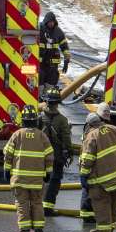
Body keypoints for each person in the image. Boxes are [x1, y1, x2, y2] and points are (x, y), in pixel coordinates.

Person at [78, 103, 116, 232]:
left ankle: (103, 229)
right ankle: (111, 227)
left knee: (101, 203)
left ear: (89, 125)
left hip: (102, 179)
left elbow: (87, 158)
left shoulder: (92, 135)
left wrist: (83, 175)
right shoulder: (115, 129)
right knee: (113, 204)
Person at [3, 106, 53, 232]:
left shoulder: (17, 135)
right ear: (36, 121)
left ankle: (24, 229)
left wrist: (7, 170)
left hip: (19, 179)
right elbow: (49, 156)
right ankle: (38, 228)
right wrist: (48, 173)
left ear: (23, 120)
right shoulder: (42, 136)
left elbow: (8, 154)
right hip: (36, 181)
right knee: (37, 203)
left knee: (22, 203)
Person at [40, 88, 73, 216]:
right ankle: (47, 207)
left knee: (40, 180)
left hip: (40, 155)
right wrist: (69, 152)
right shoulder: (62, 120)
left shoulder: (39, 118)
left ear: (46, 101)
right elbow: (66, 139)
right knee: (54, 180)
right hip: (56, 156)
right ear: (57, 103)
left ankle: (37, 205)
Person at [38, 12, 72, 87]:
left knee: (52, 82)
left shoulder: (58, 32)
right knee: (39, 81)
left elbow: (65, 47)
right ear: (46, 21)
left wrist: (66, 60)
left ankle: (48, 96)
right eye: (49, 22)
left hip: (52, 65)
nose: (51, 24)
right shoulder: (39, 29)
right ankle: (39, 96)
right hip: (40, 64)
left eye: (52, 22)